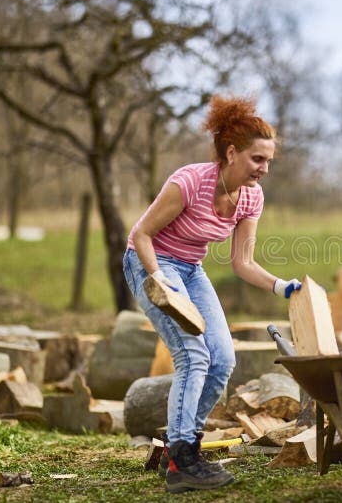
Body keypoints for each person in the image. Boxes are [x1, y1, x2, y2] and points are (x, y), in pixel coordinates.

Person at [122, 96, 302, 493]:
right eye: (258, 159)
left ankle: (181, 446)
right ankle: (183, 459)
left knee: (222, 360)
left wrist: (279, 285)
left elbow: (243, 263)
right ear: (232, 152)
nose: (264, 169)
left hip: (190, 269)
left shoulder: (251, 197)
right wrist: (160, 280)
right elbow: (142, 234)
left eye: (268, 160)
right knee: (193, 354)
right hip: (149, 262)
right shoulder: (190, 181)